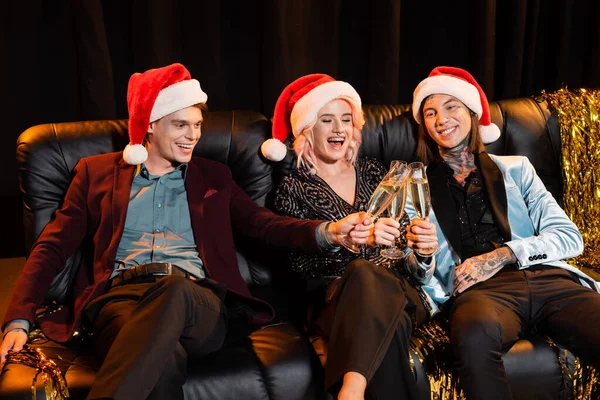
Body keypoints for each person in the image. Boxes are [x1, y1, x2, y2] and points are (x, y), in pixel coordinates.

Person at [0, 63, 373, 400]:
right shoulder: (95, 174)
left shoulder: (213, 176)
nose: (192, 136)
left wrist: (329, 232)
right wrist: (19, 318)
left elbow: (264, 224)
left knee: (173, 289)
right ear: (149, 125)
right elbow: (52, 245)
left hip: (198, 301)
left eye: (197, 126)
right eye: (181, 125)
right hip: (120, 300)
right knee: (164, 359)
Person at [408, 66, 600, 399]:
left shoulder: (516, 168)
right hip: (482, 293)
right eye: (430, 112)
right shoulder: (416, 186)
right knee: (472, 337)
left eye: (451, 106)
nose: (441, 119)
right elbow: (417, 272)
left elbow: (570, 237)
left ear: (471, 112)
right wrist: (423, 255)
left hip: (547, 278)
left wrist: (504, 254)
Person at [262, 74, 439, 400]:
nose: (339, 129)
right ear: (307, 130)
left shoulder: (377, 173)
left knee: (372, 277)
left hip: (398, 288)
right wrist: (355, 240)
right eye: (326, 120)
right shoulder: (293, 189)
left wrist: (423, 251)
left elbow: (403, 245)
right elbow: (299, 266)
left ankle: (351, 391)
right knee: (385, 313)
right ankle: (353, 390)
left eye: (346, 120)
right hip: (333, 300)